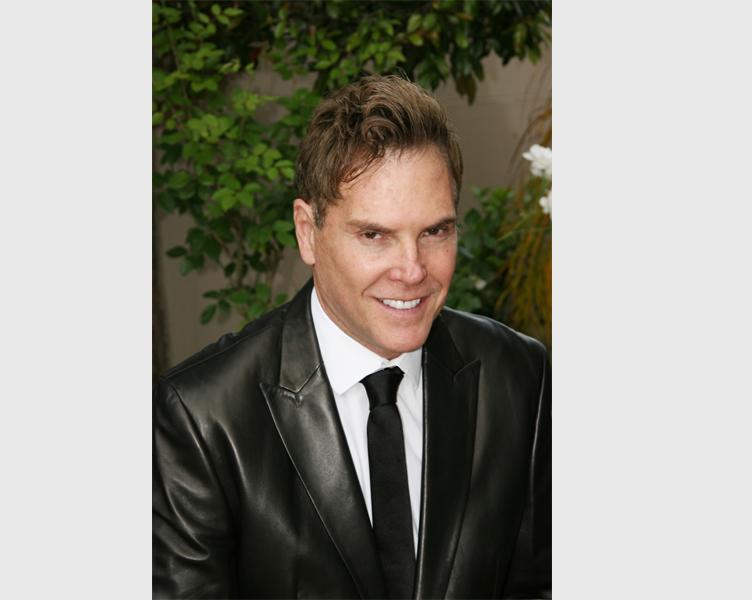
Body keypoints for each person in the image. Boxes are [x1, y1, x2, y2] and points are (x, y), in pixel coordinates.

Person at [153, 74, 551, 599]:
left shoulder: (520, 376)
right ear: (307, 232)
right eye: (374, 235)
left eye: (435, 231)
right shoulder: (201, 417)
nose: (412, 270)